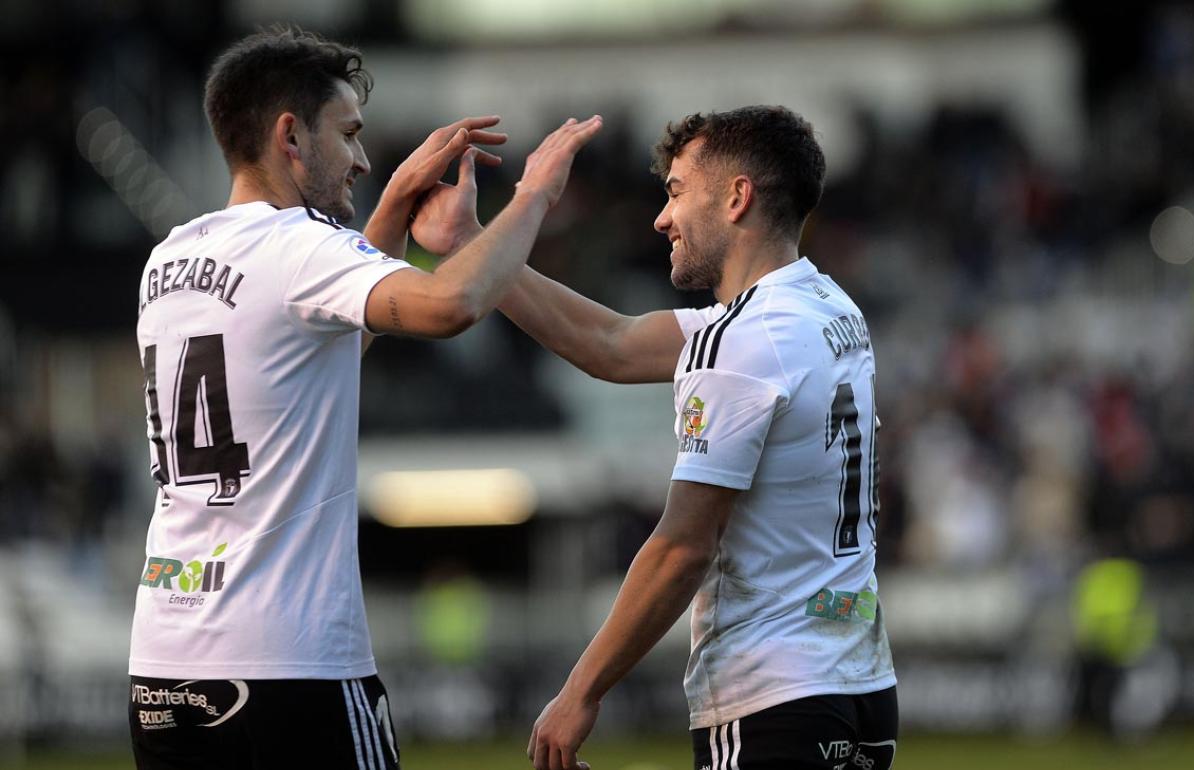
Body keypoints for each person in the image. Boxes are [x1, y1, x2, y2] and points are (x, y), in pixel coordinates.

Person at [129, 27, 600, 770]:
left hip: (165, 664)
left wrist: (389, 213)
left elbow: (320, 350)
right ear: (291, 135)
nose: (363, 159)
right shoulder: (299, 246)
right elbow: (450, 306)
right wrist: (535, 197)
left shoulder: (172, 256)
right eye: (347, 135)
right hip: (289, 662)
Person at [499, 106, 898, 770]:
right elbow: (611, 346)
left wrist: (580, 691)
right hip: (858, 684)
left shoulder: (741, 341)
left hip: (774, 694)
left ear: (737, 197)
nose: (662, 217)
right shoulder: (827, 307)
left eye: (677, 191)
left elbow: (682, 547)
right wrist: (474, 248)